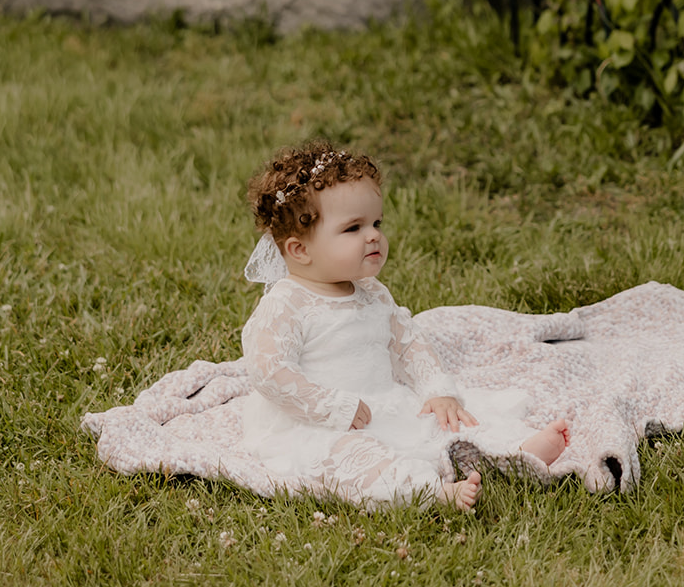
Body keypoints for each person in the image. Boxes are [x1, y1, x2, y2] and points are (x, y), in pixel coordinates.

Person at [240, 141, 570, 510]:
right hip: (318, 421)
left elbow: (407, 343)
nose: (373, 235)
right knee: (357, 460)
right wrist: (332, 407)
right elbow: (268, 370)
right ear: (300, 250)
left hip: (381, 403)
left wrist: (435, 388)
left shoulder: (372, 293)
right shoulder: (287, 304)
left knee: (443, 421)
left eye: (376, 223)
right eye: (353, 228)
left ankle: (510, 452)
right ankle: (426, 491)